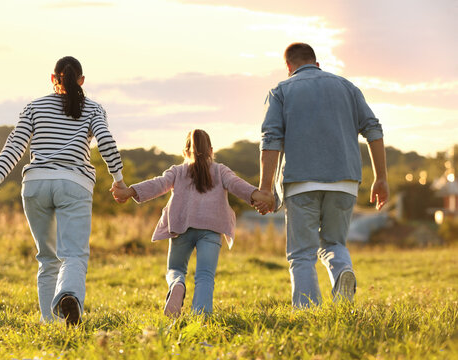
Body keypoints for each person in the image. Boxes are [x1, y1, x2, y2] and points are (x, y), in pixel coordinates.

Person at [0, 56, 125, 325]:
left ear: (53, 79)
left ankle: (52, 325)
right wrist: (119, 178)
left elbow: (15, 146)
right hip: (74, 184)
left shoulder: (34, 107)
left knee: (47, 258)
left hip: (36, 184)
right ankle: (68, 295)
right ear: (81, 81)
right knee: (74, 254)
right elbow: (105, 141)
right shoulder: (93, 108)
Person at [255, 43, 389, 308]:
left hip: (300, 182)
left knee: (302, 253)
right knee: (334, 242)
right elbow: (373, 129)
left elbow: (271, 138)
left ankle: (308, 312)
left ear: (289, 66)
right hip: (345, 181)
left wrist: (265, 188)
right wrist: (381, 177)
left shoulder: (281, 90)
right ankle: (341, 271)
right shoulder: (348, 88)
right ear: (317, 63)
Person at [110, 129, 273, 317]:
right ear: (211, 150)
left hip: (181, 227)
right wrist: (261, 196)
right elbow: (239, 185)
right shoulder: (221, 171)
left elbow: (158, 184)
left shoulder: (177, 171)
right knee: (205, 275)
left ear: (184, 152)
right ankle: (201, 316)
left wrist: (130, 191)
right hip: (212, 228)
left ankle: (177, 284)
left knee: (175, 269)